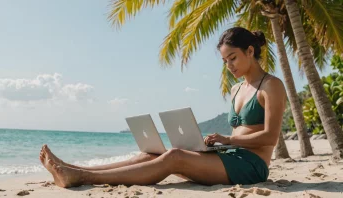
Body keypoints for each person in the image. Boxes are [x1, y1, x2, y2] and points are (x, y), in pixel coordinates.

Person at [39, 27, 287, 188]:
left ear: (250, 51)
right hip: (228, 156)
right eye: (224, 61)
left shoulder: (271, 86)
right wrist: (217, 144)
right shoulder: (235, 90)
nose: (228, 66)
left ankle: (83, 178)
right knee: (152, 154)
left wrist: (227, 139)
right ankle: (74, 168)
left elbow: (270, 137)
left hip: (251, 165)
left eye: (232, 58)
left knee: (174, 157)